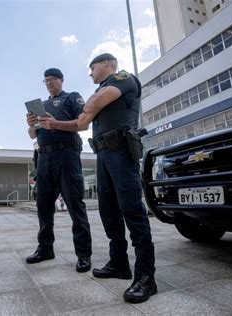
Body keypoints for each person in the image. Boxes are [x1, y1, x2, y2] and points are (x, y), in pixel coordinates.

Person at [77, 53, 156, 304]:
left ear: (106, 64)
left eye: (92, 68)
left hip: (121, 152)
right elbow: (82, 120)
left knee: (133, 211)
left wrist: (91, 102)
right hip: (103, 155)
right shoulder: (103, 89)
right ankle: (119, 264)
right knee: (108, 211)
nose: (90, 73)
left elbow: (90, 107)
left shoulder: (123, 79)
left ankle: (146, 276)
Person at [25, 67, 92, 273]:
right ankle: (45, 249)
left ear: (61, 80)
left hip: (66, 155)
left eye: (53, 79)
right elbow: (32, 135)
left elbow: (83, 125)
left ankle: (83, 254)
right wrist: (31, 124)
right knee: (43, 207)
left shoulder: (72, 98)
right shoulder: (42, 105)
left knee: (74, 204)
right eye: (46, 81)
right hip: (44, 158)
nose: (49, 83)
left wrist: (55, 124)